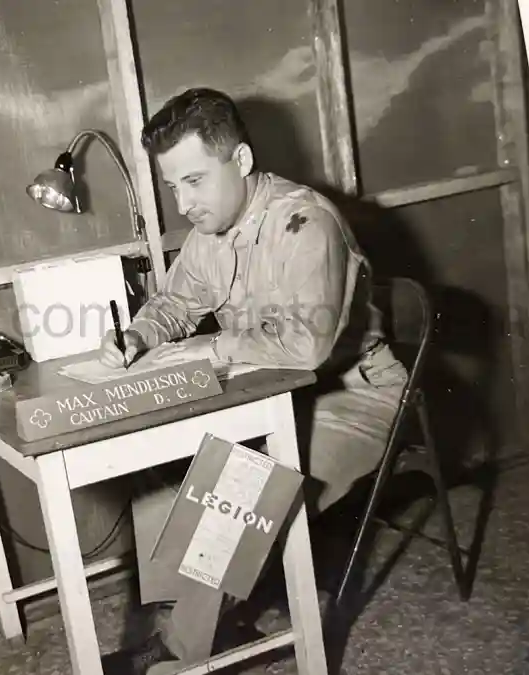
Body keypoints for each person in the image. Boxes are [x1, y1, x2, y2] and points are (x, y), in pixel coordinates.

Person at [98, 87, 408, 674]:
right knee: (163, 470)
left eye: (194, 181)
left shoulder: (305, 222)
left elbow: (304, 347)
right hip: (268, 393)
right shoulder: (211, 229)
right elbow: (176, 301)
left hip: (352, 393)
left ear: (240, 161)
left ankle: (179, 657)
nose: (184, 203)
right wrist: (138, 336)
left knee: (237, 485)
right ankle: (188, 625)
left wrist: (213, 345)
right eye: (172, 188)